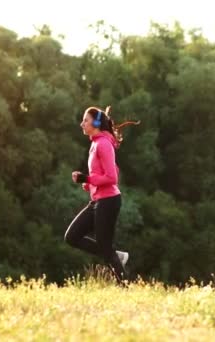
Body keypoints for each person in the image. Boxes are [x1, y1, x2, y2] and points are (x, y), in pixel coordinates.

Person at [64, 106, 140, 283]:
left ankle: (125, 286)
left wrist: (88, 178)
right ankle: (115, 255)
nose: (82, 123)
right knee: (72, 236)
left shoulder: (104, 144)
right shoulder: (96, 143)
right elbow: (105, 174)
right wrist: (89, 184)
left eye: (85, 120)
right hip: (98, 200)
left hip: (108, 201)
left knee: (105, 247)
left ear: (96, 123)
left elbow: (112, 177)